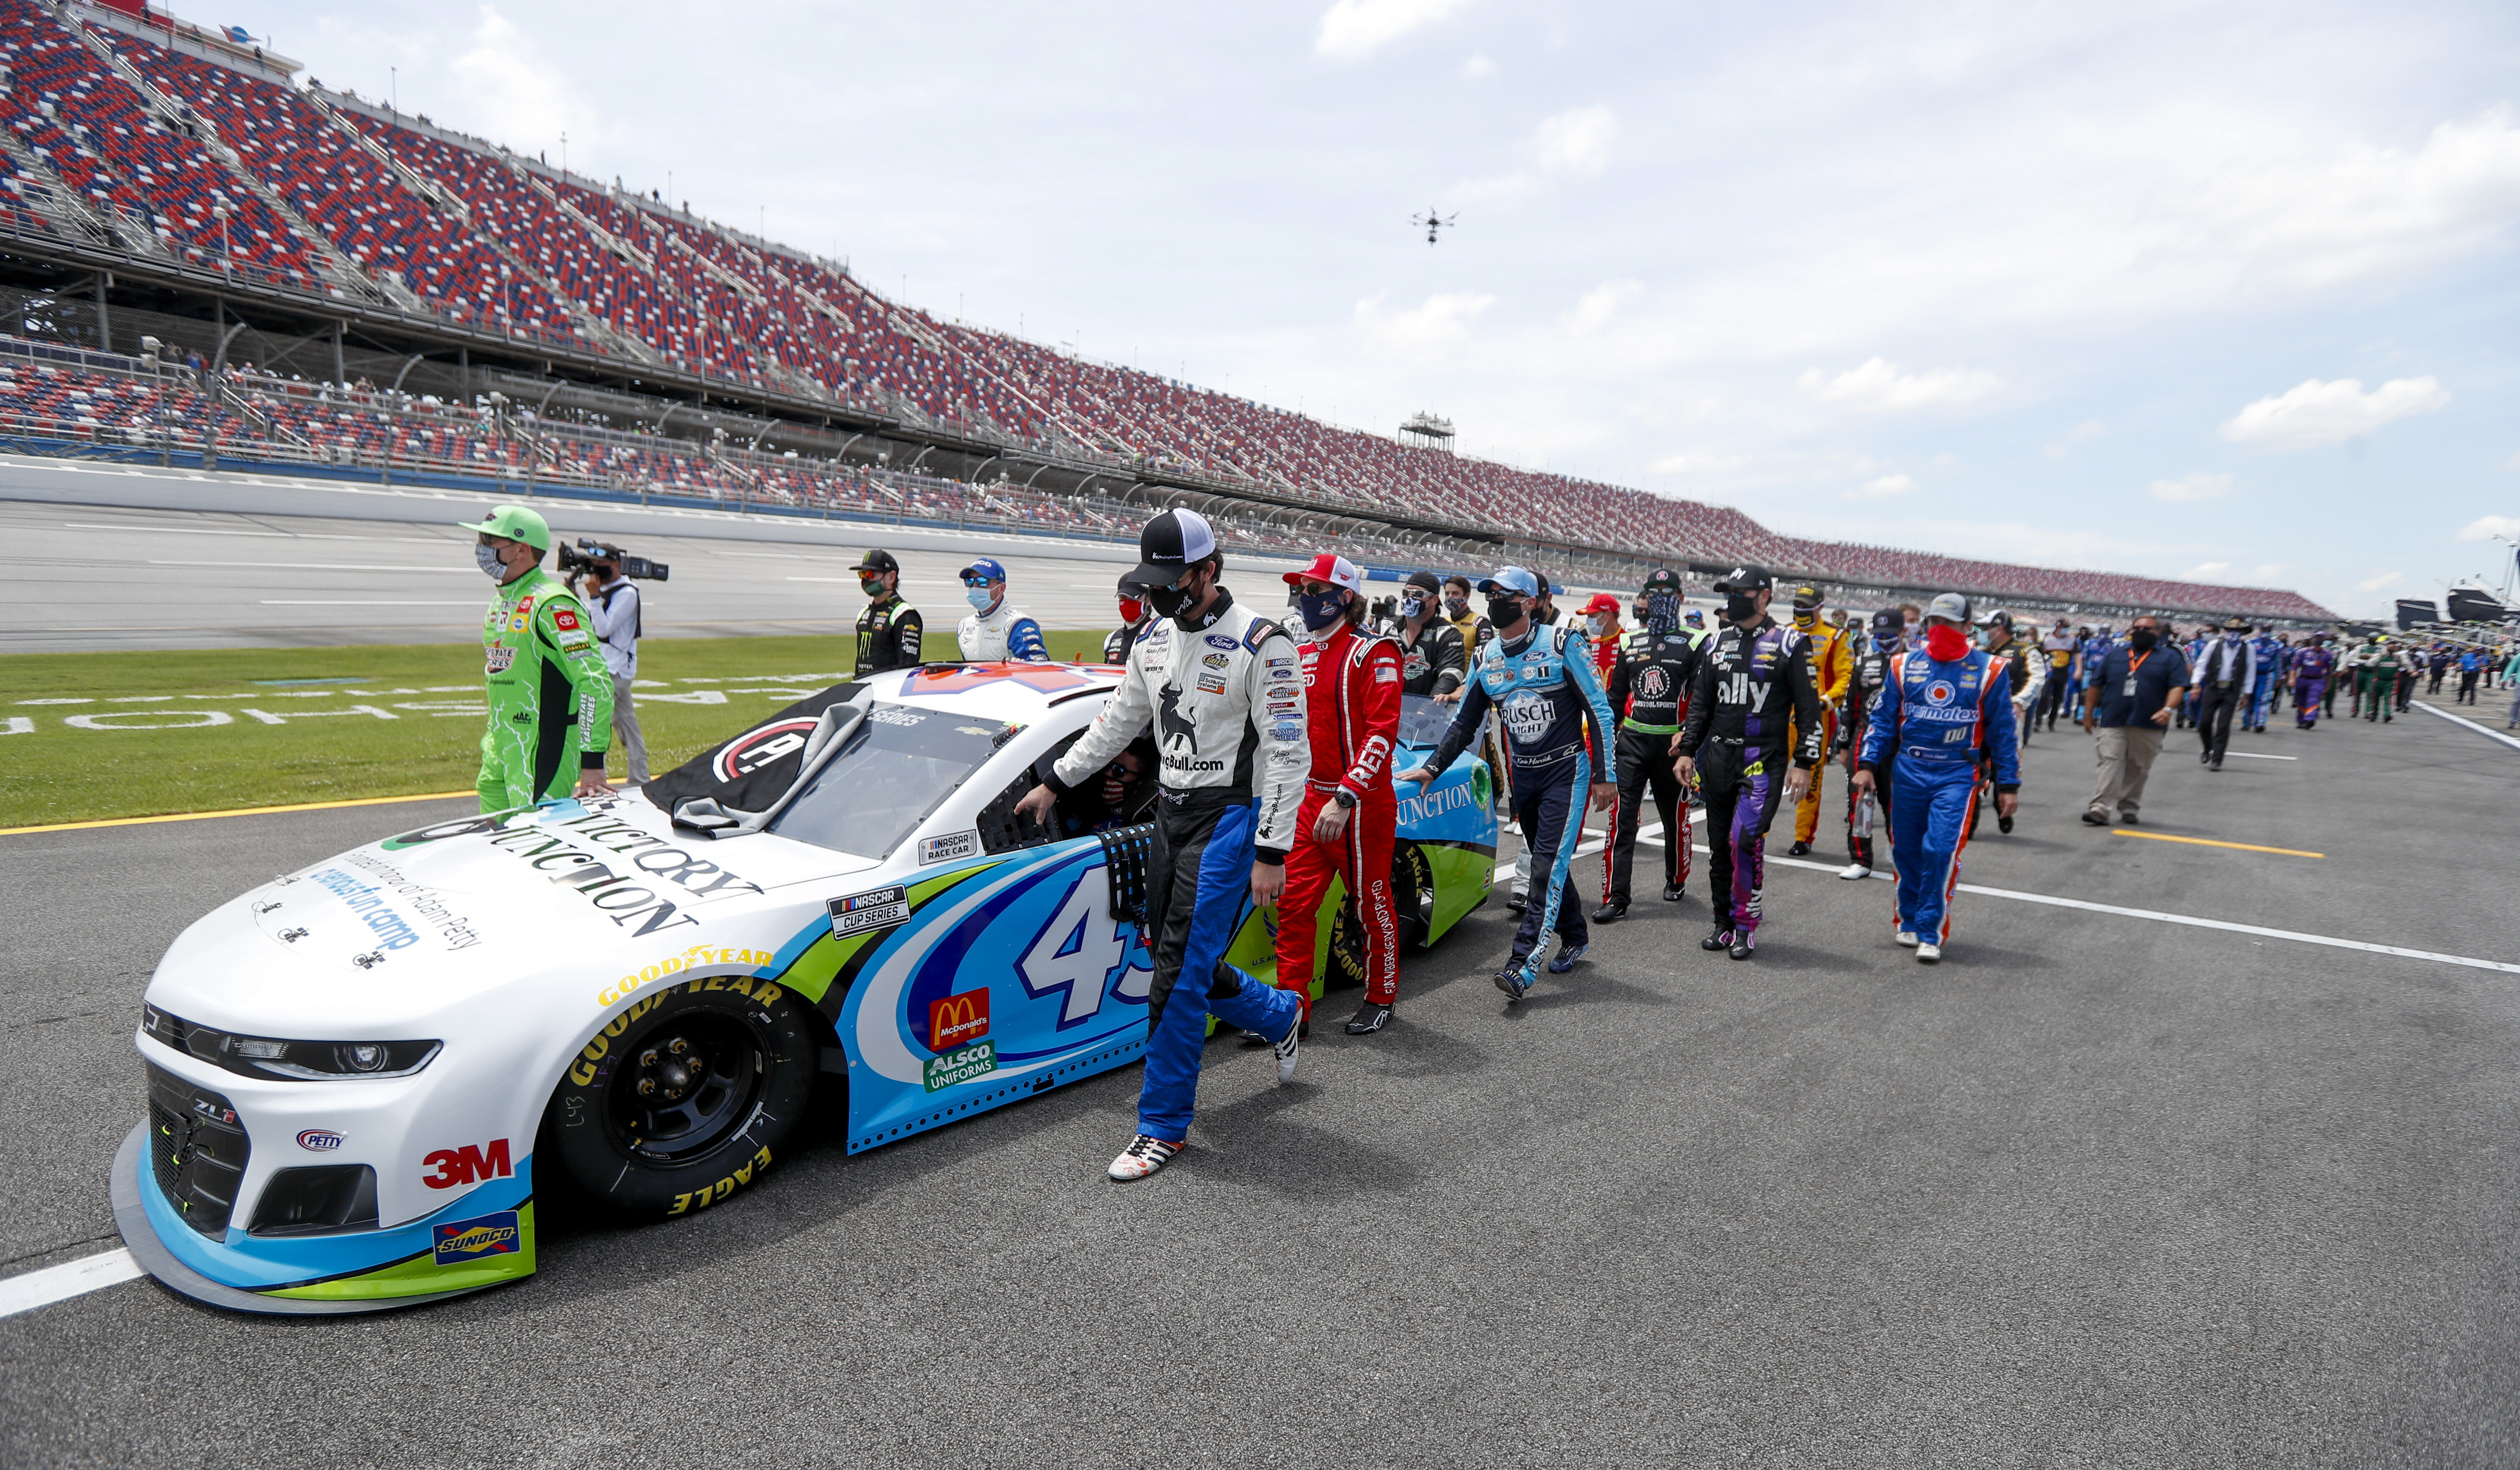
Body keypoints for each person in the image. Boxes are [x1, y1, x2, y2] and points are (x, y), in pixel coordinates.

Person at [1011, 509, 1308, 1182]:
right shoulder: (1151, 636)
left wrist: (1271, 851)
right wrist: (1055, 782)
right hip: (1169, 817)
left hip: (1232, 818)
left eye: (1171, 580)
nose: (1157, 595)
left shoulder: (1265, 642)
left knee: (1173, 974)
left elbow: (1290, 755)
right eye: (1151, 582)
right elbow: (1118, 720)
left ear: (1209, 571)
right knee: (1169, 952)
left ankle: (1161, 1127)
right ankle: (1279, 1011)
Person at [1403, 565, 1616, 998]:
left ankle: (1522, 964)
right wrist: (1431, 768)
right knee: (1547, 861)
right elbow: (1465, 723)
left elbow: (1600, 711)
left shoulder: (1562, 643)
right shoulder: (1487, 656)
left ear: (1530, 602)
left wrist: (1606, 777)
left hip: (1565, 771)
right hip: (1525, 775)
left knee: (1545, 867)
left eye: (1505, 594)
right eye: (1491, 593)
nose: (1494, 600)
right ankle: (1575, 936)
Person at [1271, 553, 1406, 1036]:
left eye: (1312, 590)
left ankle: (1380, 994)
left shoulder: (1375, 652)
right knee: (1293, 906)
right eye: (1300, 590)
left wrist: (1346, 795)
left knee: (1371, 902)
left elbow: (1381, 732)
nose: (1303, 599)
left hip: (1361, 804)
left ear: (1343, 597)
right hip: (1310, 799)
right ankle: (1291, 1009)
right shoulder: (1300, 652)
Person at [1853, 592, 2020, 963]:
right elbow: (1881, 721)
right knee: (1906, 850)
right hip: (1909, 769)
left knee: (1941, 850)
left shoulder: (1990, 670)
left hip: (1958, 774)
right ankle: (1908, 919)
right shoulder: (1902, 666)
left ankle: (1931, 930)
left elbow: (2003, 733)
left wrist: (2008, 785)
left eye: (1949, 623)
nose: (1940, 629)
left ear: (1967, 627)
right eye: (1935, 622)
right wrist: (1866, 764)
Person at [1674, 565, 1825, 961]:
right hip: (1720, 757)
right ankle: (1723, 924)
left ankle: (1745, 925)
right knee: (1720, 847)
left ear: (1763, 597)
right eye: (1730, 592)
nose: (1732, 599)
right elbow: (1701, 705)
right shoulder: (1716, 642)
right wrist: (1689, 750)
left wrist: (1805, 762)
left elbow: (1810, 712)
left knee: (1744, 840)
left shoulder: (1791, 642)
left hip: (1764, 759)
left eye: (1741, 592)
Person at [459, 504, 614, 812]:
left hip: (543, 750)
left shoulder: (554, 603)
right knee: (494, 851)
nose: (481, 548)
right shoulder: (502, 600)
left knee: (536, 853)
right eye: (481, 538)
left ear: (522, 550)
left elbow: (594, 682)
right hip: (500, 748)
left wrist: (592, 761)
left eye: (490, 541)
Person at [1595, 569, 1704, 921]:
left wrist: (1688, 737)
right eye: (1653, 592)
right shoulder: (1631, 641)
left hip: (1673, 748)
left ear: (1681, 598)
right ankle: (1617, 896)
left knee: (1675, 820)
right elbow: (1615, 699)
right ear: (1643, 598)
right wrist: (1604, 742)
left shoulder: (1697, 641)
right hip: (1633, 742)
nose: (1660, 597)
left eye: (1668, 591)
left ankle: (1676, 878)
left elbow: (1704, 700)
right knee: (1622, 819)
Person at [2079, 613, 2190, 826]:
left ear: (2158, 633)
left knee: (2138, 767)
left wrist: (2168, 709)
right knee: (2110, 762)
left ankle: (2129, 806)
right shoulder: (2115, 655)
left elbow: (2178, 686)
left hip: (2150, 722)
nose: (2141, 632)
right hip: (2114, 719)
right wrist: (2088, 714)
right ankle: (2100, 809)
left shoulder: (2170, 657)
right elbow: (2095, 684)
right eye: (2137, 628)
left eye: (2147, 629)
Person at [1837, 608, 1905, 880]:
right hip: (1864, 741)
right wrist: (1843, 745)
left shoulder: (1916, 663)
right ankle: (1861, 859)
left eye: (1889, 635)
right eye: (1879, 634)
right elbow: (1850, 708)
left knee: (1897, 804)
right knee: (1860, 801)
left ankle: (1899, 853)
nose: (1884, 639)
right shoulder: (1865, 663)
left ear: (1902, 633)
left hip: (1901, 745)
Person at [1785, 585, 1852, 856]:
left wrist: (1825, 700)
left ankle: (1803, 837)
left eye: (1806, 606)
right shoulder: (1785, 632)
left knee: (1811, 780)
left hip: (1816, 717)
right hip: (1781, 717)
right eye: (1797, 604)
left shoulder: (1836, 636)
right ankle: (1759, 831)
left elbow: (1845, 678)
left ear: (1820, 607)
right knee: (1766, 773)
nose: (1800, 610)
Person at [574, 543, 649, 786]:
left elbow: (604, 629)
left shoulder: (627, 592)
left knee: (595, 721)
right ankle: (640, 779)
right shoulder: (605, 590)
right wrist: (575, 596)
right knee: (626, 723)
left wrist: (594, 597)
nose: (597, 569)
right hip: (606, 667)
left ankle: (597, 779)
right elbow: (588, 620)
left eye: (603, 565)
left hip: (615, 669)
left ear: (616, 565)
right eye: (594, 565)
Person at [2189, 617, 2255, 770]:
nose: (2234, 634)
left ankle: (2217, 759)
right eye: (2231, 631)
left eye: (2237, 632)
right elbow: (2201, 665)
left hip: (2231, 690)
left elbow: (2251, 671)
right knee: (2205, 722)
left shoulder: (2248, 648)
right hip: (2213, 688)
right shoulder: (2214, 645)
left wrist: (2247, 694)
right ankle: (2207, 748)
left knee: (2223, 726)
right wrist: (2196, 684)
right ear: (2226, 631)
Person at [1392, 570, 1468, 700]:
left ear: (1434, 600)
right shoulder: (1386, 627)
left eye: (1418, 594)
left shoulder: (1447, 633)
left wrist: (1426, 710)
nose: (1410, 598)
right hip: (1383, 711)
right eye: (1406, 593)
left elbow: (1451, 675)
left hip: (1426, 715)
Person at [955, 556, 1049, 662]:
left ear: (1001, 588)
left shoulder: (1018, 624)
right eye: (970, 581)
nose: (975, 586)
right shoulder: (964, 626)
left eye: (983, 581)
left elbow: (1041, 669)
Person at [852, 548, 923, 677]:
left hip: (888, 690)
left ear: (891, 577)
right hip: (864, 688)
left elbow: (908, 666)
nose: (865, 579)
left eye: (870, 574)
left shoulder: (904, 614)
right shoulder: (864, 614)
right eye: (862, 574)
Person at [2039, 619, 2078, 730]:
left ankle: (2052, 721)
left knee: (2058, 698)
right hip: (2049, 671)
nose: (2066, 630)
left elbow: (2077, 655)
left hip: (2063, 672)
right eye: (2063, 628)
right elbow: (2040, 654)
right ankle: (2038, 719)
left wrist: (2078, 669)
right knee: (2045, 695)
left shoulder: (2072, 640)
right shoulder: (2047, 639)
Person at [1440, 573, 1491, 657]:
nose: (1450, 597)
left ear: (1467, 596)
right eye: (1447, 593)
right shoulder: (1444, 623)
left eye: (1455, 593)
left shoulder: (1480, 623)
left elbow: (1486, 658)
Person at [2290, 635, 2334, 728]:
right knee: (2301, 700)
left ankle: (2310, 719)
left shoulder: (2327, 655)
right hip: (2303, 679)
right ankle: (2301, 719)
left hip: (2317, 680)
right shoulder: (2303, 652)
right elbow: (2294, 667)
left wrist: (2328, 686)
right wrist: (2292, 679)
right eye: (2315, 645)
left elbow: (2329, 672)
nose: (2317, 648)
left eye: (2319, 646)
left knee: (2313, 699)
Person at [1103, 584, 1152, 666]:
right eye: (1123, 597)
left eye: (1134, 598)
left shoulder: (1157, 636)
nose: (1128, 602)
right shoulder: (1112, 638)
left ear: (1148, 600)